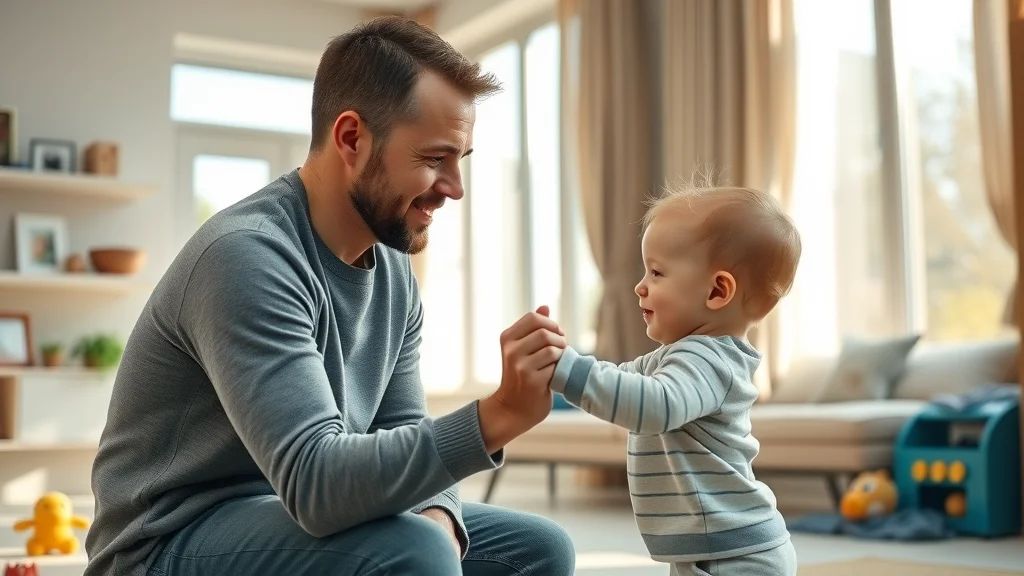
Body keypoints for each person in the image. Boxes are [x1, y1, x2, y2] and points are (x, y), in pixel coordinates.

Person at [84, 16, 575, 576]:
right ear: (351, 138)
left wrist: (437, 511)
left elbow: (402, 426)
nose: (455, 189)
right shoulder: (247, 257)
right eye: (434, 159)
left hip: (290, 518)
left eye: (459, 161)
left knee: (536, 550)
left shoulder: (392, 269)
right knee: (416, 552)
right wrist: (498, 416)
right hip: (169, 541)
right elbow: (315, 484)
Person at [548, 185, 802, 575]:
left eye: (657, 272)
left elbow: (654, 406)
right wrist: (564, 369)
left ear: (717, 291)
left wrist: (567, 369)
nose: (640, 285)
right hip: (710, 544)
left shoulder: (710, 360)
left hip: (737, 555)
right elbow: (622, 381)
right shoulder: (681, 355)